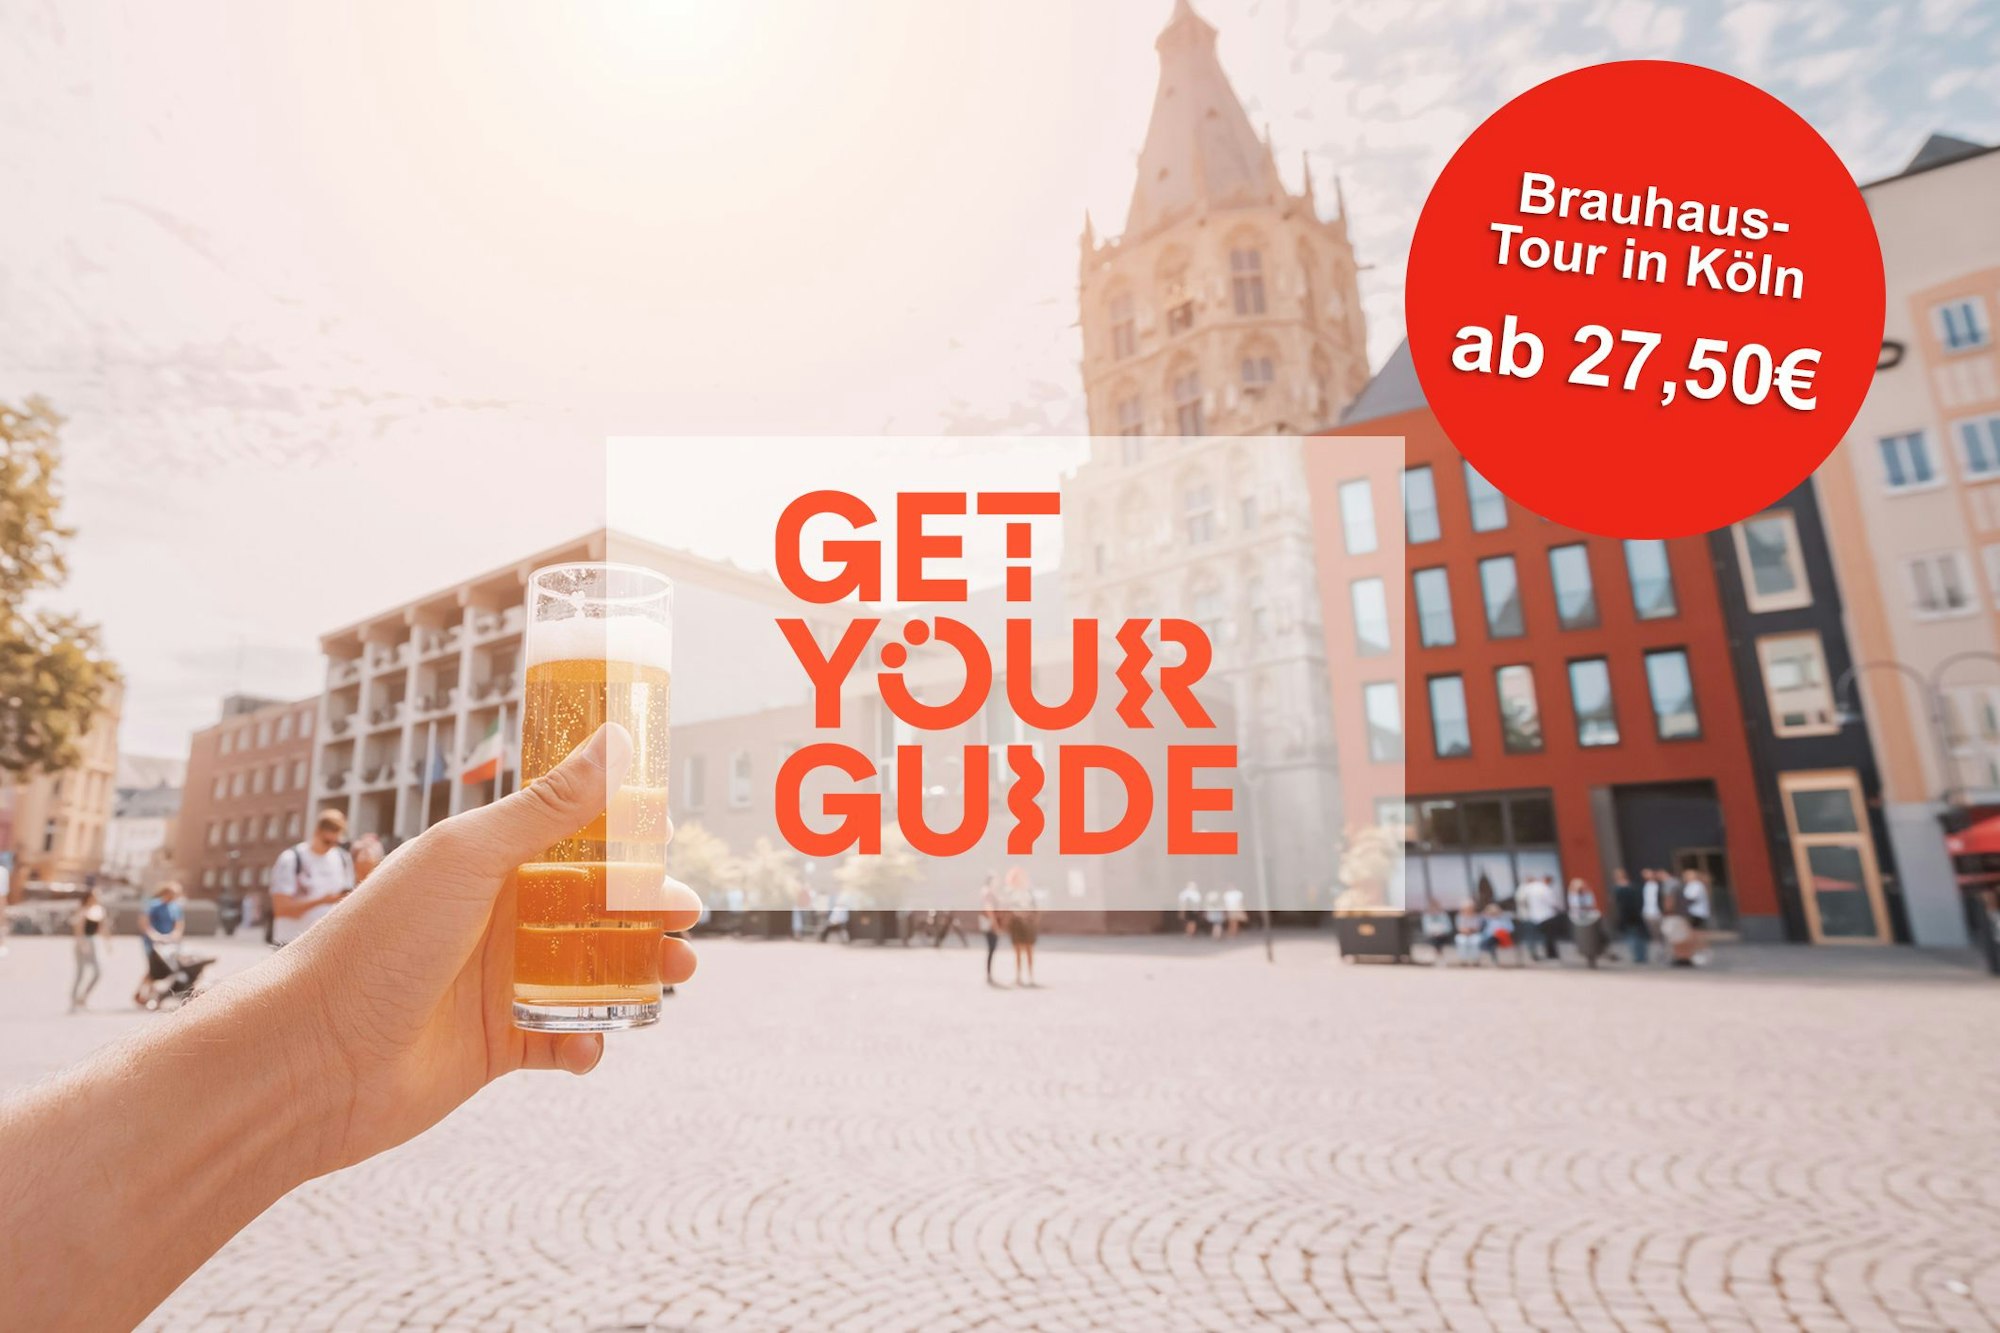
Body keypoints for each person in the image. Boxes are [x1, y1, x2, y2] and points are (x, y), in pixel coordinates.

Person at [0, 724, 701, 1331]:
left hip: (330, 972)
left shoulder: (340, 861)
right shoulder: (296, 858)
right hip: (297, 962)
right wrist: (322, 1043)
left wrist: (327, 1052)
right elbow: (292, 904)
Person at [269, 810, 356, 947]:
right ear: (317, 831)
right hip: (291, 943)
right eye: (327, 842)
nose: (331, 846)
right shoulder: (291, 858)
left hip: (326, 944)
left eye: (336, 842)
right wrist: (322, 900)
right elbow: (281, 909)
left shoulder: (342, 858)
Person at [131, 882, 185, 1008]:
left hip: (169, 944)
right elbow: (144, 923)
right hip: (153, 944)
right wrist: (154, 936)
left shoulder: (175, 907)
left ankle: (142, 994)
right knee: (153, 969)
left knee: (163, 970)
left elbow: (179, 925)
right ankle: (147, 995)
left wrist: (174, 936)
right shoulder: (153, 905)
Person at [69, 886, 108, 1011]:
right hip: (84, 941)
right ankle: (73, 1002)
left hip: (94, 941)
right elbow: (78, 929)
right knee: (80, 974)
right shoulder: (83, 910)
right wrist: (81, 944)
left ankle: (84, 997)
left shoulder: (99, 910)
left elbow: (102, 927)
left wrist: (108, 943)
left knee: (98, 972)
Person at [1004, 867, 1039, 986]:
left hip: (1027, 923)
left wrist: (1029, 915)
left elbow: (1034, 907)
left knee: (1029, 950)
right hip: (1017, 924)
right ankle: (1018, 976)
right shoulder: (1011, 892)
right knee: (1018, 950)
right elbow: (1008, 907)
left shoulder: (1028, 892)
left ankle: (1030, 975)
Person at [1515, 875, 1558, 963]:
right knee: (1534, 937)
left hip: (1532, 917)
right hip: (1532, 917)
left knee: (1535, 937)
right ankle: (1536, 954)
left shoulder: (1525, 890)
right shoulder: (1529, 889)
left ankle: (1537, 954)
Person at [1567, 878, 1607, 968]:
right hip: (1578, 920)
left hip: (1590, 919)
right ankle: (1588, 957)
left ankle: (1595, 956)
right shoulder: (1572, 895)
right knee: (1584, 940)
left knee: (1593, 938)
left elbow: (1591, 905)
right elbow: (1574, 906)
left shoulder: (1588, 894)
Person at [1612, 868, 1648, 965]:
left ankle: (1638, 956)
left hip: (1628, 915)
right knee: (1638, 935)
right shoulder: (1632, 887)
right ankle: (1641, 956)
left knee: (1632, 936)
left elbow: (1617, 903)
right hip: (1635, 914)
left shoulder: (1620, 888)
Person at [1681, 869, 1713, 966]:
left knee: (1696, 934)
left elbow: (1690, 898)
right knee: (1693, 934)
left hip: (1696, 913)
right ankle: (1697, 953)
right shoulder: (1692, 885)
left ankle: (1702, 953)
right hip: (1693, 912)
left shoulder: (1696, 885)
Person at [979, 874, 1004, 985]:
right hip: (990, 925)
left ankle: (989, 974)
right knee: (991, 949)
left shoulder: (989, 892)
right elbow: (989, 911)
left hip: (990, 924)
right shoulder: (988, 892)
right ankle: (989, 974)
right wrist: (995, 926)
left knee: (991, 950)